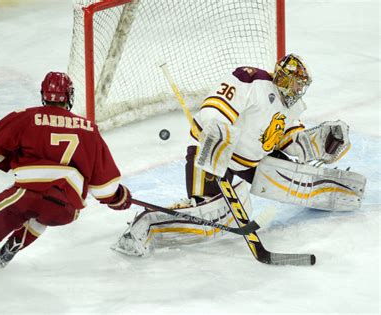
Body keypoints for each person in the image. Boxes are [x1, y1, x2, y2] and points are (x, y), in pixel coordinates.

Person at [0, 72, 132, 305]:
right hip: (66, 208)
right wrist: (120, 198)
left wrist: (18, 166)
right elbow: (104, 189)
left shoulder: (25, 118)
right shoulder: (89, 129)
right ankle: (12, 248)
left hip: (26, 194)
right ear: (69, 96)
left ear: (44, 94)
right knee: (49, 208)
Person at [112, 53, 351, 257]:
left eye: (302, 86)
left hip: (251, 162)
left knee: (288, 171)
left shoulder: (291, 107)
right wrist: (217, 131)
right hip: (213, 152)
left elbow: (289, 141)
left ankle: (328, 187)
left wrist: (319, 143)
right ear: (283, 78)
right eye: (296, 84)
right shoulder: (251, 80)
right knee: (210, 215)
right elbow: (216, 108)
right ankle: (145, 226)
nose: (299, 90)